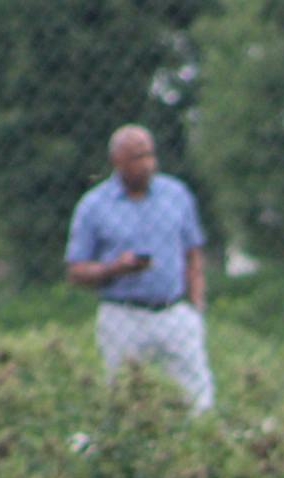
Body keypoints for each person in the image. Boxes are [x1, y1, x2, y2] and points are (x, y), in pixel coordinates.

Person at [65, 125, 215, 413]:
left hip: (173, 311)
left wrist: (196, 305)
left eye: (150, 155)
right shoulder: (94, 206)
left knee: (196, 394)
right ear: (117, 162)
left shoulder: (176, 195)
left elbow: (193, 252)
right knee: (124, 394)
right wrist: (114, 269)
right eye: (137, 157)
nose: (148, 164)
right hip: (124, 314)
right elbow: (75, 271)